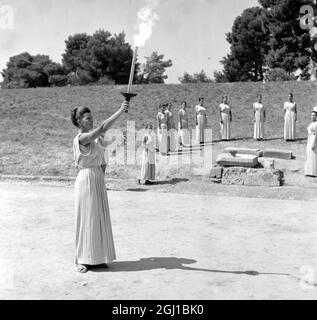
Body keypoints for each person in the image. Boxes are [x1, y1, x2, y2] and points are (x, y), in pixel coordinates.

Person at [71, 100, 129, 273]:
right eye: (88, 119)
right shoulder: (81, 138)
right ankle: (80, 259)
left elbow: (105, 154)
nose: (91, 121)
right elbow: (103, 127)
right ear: (79, 121)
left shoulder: (96, 141)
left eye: (92, 118)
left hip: (97, 178)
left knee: (97, 218)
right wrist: (120, 110)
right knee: (86, 220)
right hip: (86, 179)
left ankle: (96, 258)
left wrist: (118, 143)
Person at [305, 110, 317, 177]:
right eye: (312, 115)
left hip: (313, 140)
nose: (312, 116)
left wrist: (313, 143)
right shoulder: (311, 123)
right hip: (309, 139)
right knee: (309, 154)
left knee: (313, 154)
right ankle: (309, 170)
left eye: (314, 115)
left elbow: (316, 134)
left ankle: (313, 171)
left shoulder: (316, 124)